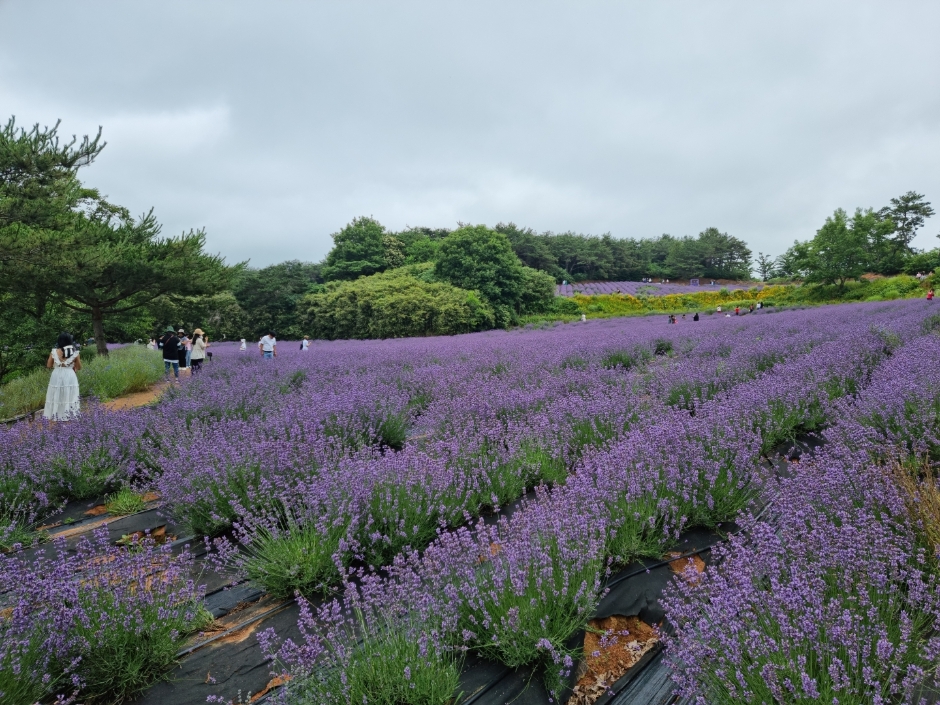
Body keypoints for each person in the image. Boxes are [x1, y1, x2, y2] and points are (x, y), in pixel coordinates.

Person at [43, 332, 82, 420]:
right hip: (69, 374)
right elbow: (79, 367)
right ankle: (69, 415)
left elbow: (49, 365)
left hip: (57, 374)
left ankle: (55, 414)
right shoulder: (75, 353)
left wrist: (58, 364)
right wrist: (72, 364)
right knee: (70, 393)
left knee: (56, 393)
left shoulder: (54, 352)